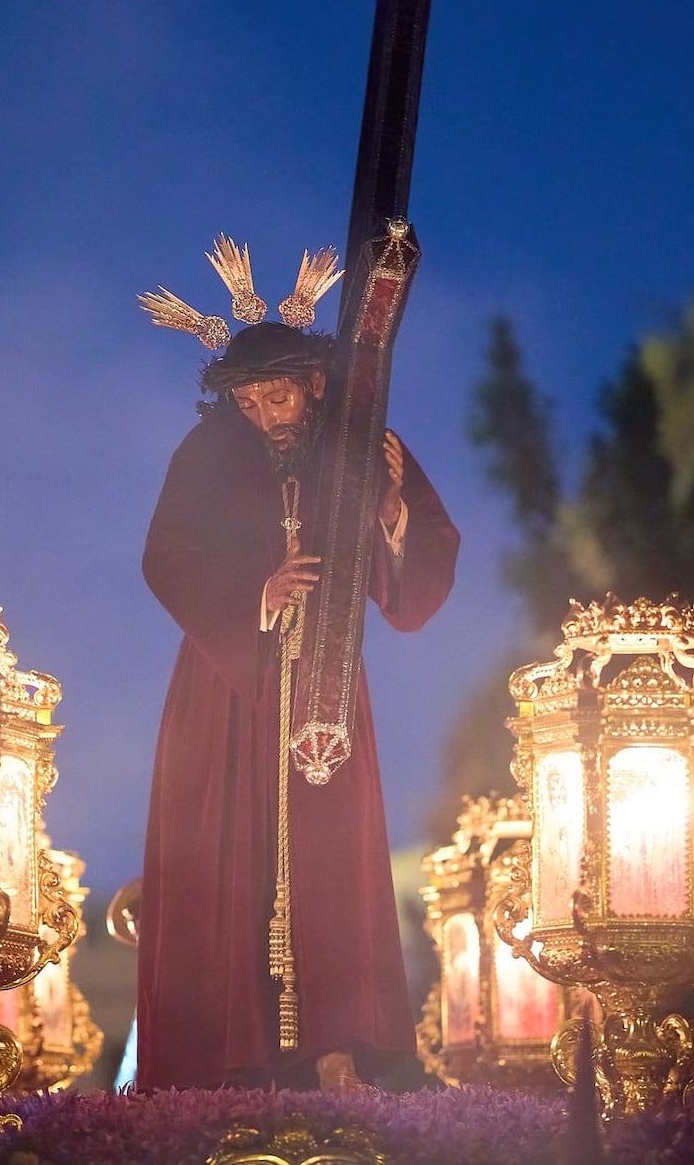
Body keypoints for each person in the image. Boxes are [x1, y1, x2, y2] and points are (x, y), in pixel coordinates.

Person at [129, 242, 459, 1089]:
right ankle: (222, 1065)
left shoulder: (361, 442)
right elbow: (166, 555)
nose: (266, 413)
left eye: (278, 393)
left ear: (314, 383)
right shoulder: (204, 452)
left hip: (325, 680)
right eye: (248, 399)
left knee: (328, 851)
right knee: (224, 849)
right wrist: (257, 596)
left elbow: (415, 584)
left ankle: (337, 1047)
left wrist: (390, 517)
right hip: (227, 680)